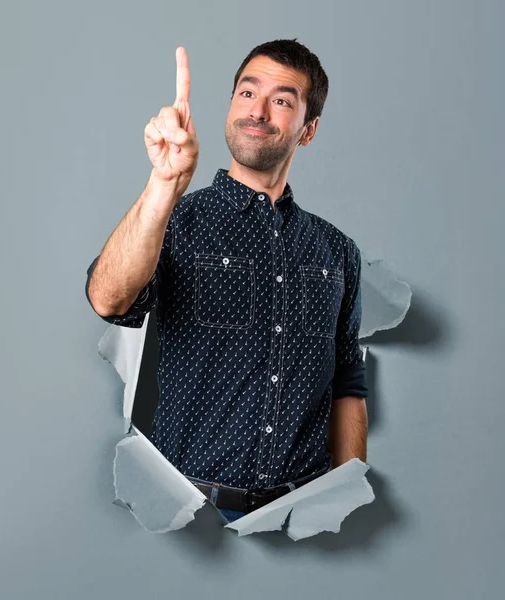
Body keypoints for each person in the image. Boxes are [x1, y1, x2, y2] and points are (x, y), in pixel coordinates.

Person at [85, 40, 368, 524]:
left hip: (299, 517)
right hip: (194, 520)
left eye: (281, 100)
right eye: (246, 92)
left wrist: (344, 499)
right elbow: (108, 300)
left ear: (308, 129)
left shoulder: (337, 251)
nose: (257, 111)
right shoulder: (176, 220)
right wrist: (164, 186)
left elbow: (347, 383)